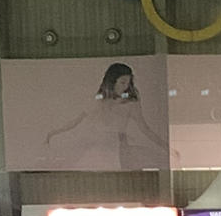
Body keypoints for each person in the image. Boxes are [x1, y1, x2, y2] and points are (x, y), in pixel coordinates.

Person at [42, 63, 171, 172]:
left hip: (120, 149)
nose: (125, 86)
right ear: (112, 81)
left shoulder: (130, 104)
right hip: (98, 149)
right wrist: (53, 133)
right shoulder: (97, 101)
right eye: (122, 82)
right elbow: (75, 122)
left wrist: (166, 147)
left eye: (128, 83)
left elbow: (145, 129)